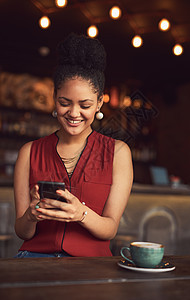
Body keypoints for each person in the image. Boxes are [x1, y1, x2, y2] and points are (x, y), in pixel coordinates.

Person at [14, 33, 133, 258]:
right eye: (64, 103)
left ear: (99, 102)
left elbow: (110, 228)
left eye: (85, 105)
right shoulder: (29, 152)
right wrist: (31, 216)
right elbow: (22, 232)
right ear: (54, 98)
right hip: (34, 261)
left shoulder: (118, 153)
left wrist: (81, 213)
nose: (74, 113)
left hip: (91, 264)